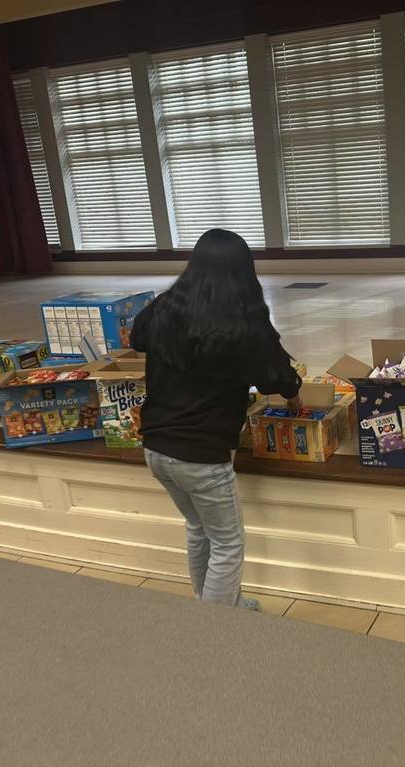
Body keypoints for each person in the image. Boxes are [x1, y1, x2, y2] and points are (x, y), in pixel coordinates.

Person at [130, 229, 301, 610]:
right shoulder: (242, 325)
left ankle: (213, 608)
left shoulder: (164, 307)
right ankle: (215, 629)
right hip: (200, 455)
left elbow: (137, 338)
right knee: (227, 542)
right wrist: (295, 395)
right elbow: (276, 377)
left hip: (156, 447)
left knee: (198, 529)